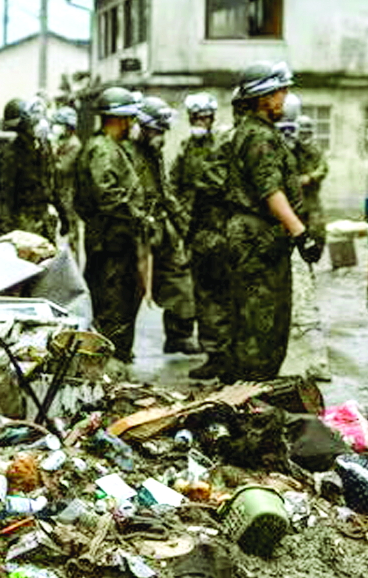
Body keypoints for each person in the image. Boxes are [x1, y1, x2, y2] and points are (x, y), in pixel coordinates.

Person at [220, 62, 322, 382]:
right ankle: (252, 396)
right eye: (280, 91)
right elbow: (271, 191)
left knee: (259, 320)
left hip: (257, 238)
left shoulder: (255, 132)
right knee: (260, 325)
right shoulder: (259, 137)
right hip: (257, 239)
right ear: (263, 97)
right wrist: (300, 231)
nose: (285, 97)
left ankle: (247, 391)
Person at [74, 87, 149, 361]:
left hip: (114, 240)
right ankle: (110, 364)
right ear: (119, 119)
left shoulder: (106, 147)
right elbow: (106, 194)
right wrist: (138, 214)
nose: (133, 125)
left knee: (119, 302)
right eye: (130, 118)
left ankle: (117, 356)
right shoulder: (102, 150)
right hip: (110, 243)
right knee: (112, 305)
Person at [130, 95, 201, 356]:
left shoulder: (155, 153)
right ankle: (120, 348)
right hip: (136, 230)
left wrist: (184, 225)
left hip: (162, 227)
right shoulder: (127, 153)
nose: (162, 135)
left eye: (163, 130)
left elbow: (166, 192)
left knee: (180, 280)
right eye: (157, 130)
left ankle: (179, 336)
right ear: (143, 127)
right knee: (132, 289)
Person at [173, 93, 235, 379]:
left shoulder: (222, 146)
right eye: (195, 118)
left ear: (212, 118)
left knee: (220, 294)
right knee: (202, 295)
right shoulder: (186, 148)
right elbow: (174, 182)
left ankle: (224, 354)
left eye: (204, 117)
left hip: (218, 230)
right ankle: (214, 353)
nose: (200, 122)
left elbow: (220, 184)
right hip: (193, 230)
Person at [278, 96, 331, 380]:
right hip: (284, 219)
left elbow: (322, 168)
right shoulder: (269, 145)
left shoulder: (306, 149)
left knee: (304, 278)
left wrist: (308, 177)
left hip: (307, 212)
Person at [0, 96, 69, 241]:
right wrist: (4, 233)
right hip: (23, 226)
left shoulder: (45, 150)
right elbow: (3, 198)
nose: (39, 123)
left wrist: (63, 215)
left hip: (45, 222)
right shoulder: (9, 156)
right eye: (33, 119)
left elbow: (53, 185)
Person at [52, 105, 83, 255]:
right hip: (61, 194)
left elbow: (61, 168)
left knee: (71, 237)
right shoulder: (63, 142)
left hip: (69, 196)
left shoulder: (74, 145)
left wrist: (51, 154)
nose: (57, 128)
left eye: (61, 125)